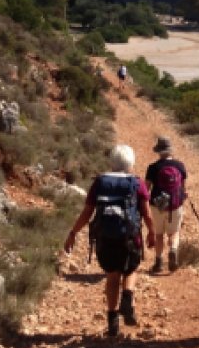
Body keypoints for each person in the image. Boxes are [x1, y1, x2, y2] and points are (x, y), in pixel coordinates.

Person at [64, 144, 155, 337]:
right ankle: (127, 297)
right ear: (131, 163)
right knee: (131, 269)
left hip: (105, 237)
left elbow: (87, 212)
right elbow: (146, 212)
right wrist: (152, 232)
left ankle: (112, 321)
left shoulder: (100, 182)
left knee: (112, 276)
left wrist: (73, 232)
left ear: (112, 162)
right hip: (129, 236)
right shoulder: (137, 183)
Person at [145, 136, 188, 274]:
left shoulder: (153, 168)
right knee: (174, 232)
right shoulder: (180, 166)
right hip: (175, 205)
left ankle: (158, 262)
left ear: (159, 151)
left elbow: (146, 189)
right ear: (171, 151)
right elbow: (183, 188)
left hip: (157, 205)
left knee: (159, 234)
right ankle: (173, 251)